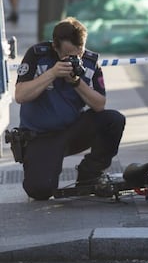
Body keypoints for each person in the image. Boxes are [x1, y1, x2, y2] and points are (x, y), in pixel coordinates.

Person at [14, 17, 126, 200]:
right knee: (40, 191)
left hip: (72, 130)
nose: (72, 58)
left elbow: (99, 105)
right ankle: (41, 167)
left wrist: (76, 82)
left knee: (114, 120)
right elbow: (20, 95)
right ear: (55, 47)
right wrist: (51, 74)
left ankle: (89, 174)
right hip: (41, 136)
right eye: (66, 54)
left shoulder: (89, 62)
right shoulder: (37, 55)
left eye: (78, 52)